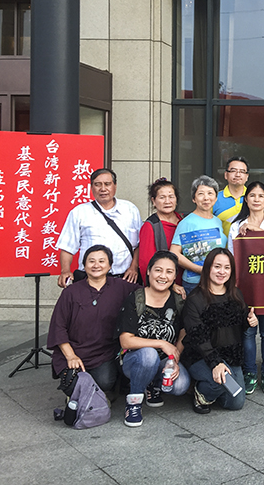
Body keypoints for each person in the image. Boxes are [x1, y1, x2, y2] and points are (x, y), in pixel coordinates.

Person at [47, 245, 140, 394]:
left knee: (105, 382)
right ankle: (88, 397)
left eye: (102, 261)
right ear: (84, 265)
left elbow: (148, 292)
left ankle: (92, 397)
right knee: (71, 384)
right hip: (74, 349)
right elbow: (58, 326)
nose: (96, 265)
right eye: (91, 261)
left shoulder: (121, 287)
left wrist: (172, 287)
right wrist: (71, 356)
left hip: (103, 353)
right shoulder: (71, 292)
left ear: (110, 265)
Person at [117, 251, 190, 427]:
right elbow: (125, 341)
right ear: (149, 271)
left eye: (169, 272)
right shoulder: (135, 298)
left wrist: (174, 359)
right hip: (135, 359)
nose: (163, 276)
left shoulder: (178, 300)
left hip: (164, 360)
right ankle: (133, 403)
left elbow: (183, 332)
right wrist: (162, 343)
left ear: (175, 276)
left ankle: (153, 385)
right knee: (149, 355)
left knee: (180, 385)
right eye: (158, 270)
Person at [181, 248, 258, 414]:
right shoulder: (195, 299)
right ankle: (200, 394)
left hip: (230, 355)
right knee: (218, 382)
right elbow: (198, 337)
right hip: (201, 355)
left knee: (236, 402)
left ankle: (212, 386)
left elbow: (238, 325)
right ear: (208, 268)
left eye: (227, 267)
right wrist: (215, 363)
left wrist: (250, 321)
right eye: (217, 266)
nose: (222, 272)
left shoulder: (236, 294)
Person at [228, 181, 264, 395]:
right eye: (252, 195)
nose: (256, 199)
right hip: (246, 285)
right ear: (246, 199)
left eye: (261, 196)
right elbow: (232, 257)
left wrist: (257, 231)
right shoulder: (236, 225)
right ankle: (250, 372)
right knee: (248, 331)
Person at [57, 168, 141, 287]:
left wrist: (134, 267)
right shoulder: (79, 212)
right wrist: (65, 270)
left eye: (107, 184)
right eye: (97, 184)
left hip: (124, 278)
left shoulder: (130, 209)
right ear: (91, 187)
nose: (103, 189)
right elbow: (67, 248)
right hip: (90, 280)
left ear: (115, 186)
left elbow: (138, 244)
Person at [170, 175, 226, 294]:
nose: (206, 198)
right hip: (195, 282)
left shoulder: (217, 221)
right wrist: (200, 270)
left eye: (210, 193)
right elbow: (174, 253)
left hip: (217, 281)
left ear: (216, 198)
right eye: (201, 194)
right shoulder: (187, 223)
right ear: (194, 199)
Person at [138, 178, 182, 280]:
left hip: (185, 281)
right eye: (162, 197)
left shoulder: (182, 221)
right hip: (163, 282)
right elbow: (146, 263)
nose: (167, 201)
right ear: (153, 201)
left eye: (171, 197)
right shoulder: (150, 226)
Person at [213, 156, 249, 238]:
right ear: (226, 175)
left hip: (248, 246)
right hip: (223, 246)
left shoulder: (254, 198)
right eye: (233, 171)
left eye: (242, 171)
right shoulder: (214, 199)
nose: (238, 175)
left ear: (247, 176)